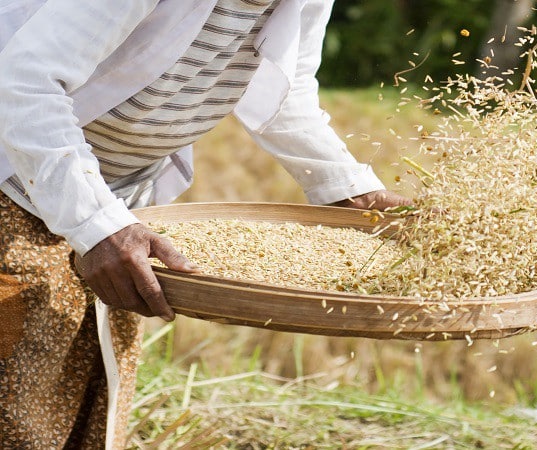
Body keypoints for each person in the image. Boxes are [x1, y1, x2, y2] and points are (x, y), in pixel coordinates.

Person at [0, 0, 410, 447]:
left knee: (89, 391)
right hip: (15, 175)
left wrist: (347, 187)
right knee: (17, 393)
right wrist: (98, 225)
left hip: (117, 196)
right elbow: (25, 82)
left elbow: (286, 88)